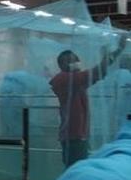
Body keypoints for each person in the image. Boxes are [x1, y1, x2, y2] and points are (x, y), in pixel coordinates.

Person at [49, 37, 126, 167]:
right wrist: (116, 51)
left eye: (76, 59)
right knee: (75, 170)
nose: (76, 63)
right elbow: (95, 72)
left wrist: (115, 53)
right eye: (71, 61)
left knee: (78, 168)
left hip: (79, 134)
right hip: (72, 136)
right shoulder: (63, 79)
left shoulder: (77, 83)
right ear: (62, 65)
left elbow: (99, 73)